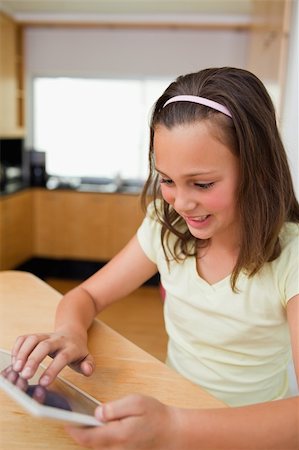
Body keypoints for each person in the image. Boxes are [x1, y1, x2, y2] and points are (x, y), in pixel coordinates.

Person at [11, 67, 299, 449]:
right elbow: (87, 297)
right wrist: (70, 331)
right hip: (172, 411)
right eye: (167, 180)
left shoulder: (291, 257)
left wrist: (175, 428)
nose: (181, 203)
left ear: (256, 170)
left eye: (202, 184)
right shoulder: (165, 230)